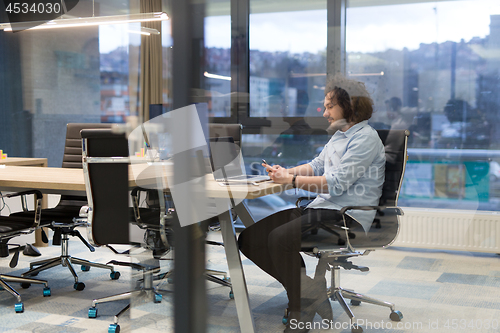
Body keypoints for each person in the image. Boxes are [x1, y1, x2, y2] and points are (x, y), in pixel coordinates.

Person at [238, 76, 386, 332]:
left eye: (329, 106)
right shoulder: (340, 136)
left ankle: (301, 306)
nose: (325, 112)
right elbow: (317, 164)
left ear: (348, 106)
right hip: (321, 209)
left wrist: (293, 180)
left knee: (279, 239)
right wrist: (286, 171)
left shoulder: (365, 138)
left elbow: (336, 183)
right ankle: (309, 291)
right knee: (249, 239)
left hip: (346, 217)